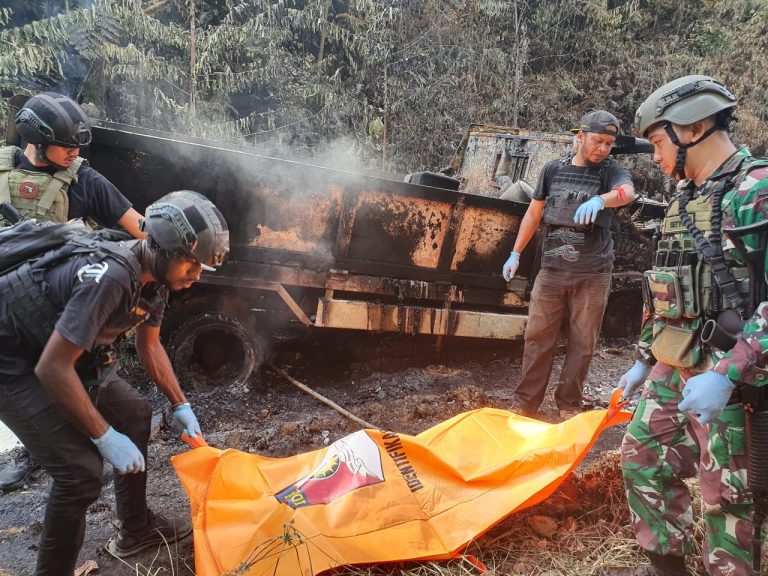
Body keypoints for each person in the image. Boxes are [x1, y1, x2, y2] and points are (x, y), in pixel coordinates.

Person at [0, 190, 230, 575]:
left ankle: (136, 530)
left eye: (201, 268)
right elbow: (53, 369)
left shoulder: (154, 282)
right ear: (161, 248)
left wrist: (180, 404)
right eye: (191, 264)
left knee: (137, 414)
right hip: (12, 359)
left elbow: (151, 347)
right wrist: (104, 435)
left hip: (49, 349)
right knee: (80, 473)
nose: (195, 276)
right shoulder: (111, 276)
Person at [617, 75, 768, 576]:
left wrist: (729, 373)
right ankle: (666, 567)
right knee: (643, 458)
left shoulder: (757, 190)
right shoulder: (685, 197)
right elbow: (668, 284)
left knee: (729, 500)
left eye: (658, 141)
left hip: (734, 374)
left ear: (696, 126)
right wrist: (644, 356)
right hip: (675, 360)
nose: (655, 156)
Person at [0, 92, 146, 491]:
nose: (74, 152)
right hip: (7, 315)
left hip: (55, 316)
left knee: (121, 408)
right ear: (36, 139)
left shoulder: (82, 179)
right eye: (66, 145)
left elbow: (141, 228)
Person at [501, 110, 636, 419]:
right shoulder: (552, 170)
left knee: (582, 341)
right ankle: (525, 402)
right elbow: (534, 213)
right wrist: (516, 253)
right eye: (598, 141)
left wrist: (603, 200)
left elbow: (627, 192)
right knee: (537, 337)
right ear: (580, 137)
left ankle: (569, 403)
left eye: (609, 144)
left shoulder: (610, 171)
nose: (603, 149)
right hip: (551, 270)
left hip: (593, 272)